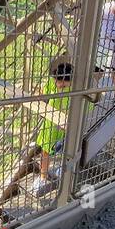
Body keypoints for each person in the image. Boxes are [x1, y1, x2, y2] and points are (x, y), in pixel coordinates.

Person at [30, 56, 75, 197]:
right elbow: (44, 94)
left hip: (68, 125)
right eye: (58, 81)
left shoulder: (75, 88)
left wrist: (69, 118)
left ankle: (62, 169)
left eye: (64, 82)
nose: (60, 85)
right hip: (50, 123)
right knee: (46, 150)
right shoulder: (51, 83)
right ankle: (43, 177)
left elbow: (85, 106)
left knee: (67, 149)